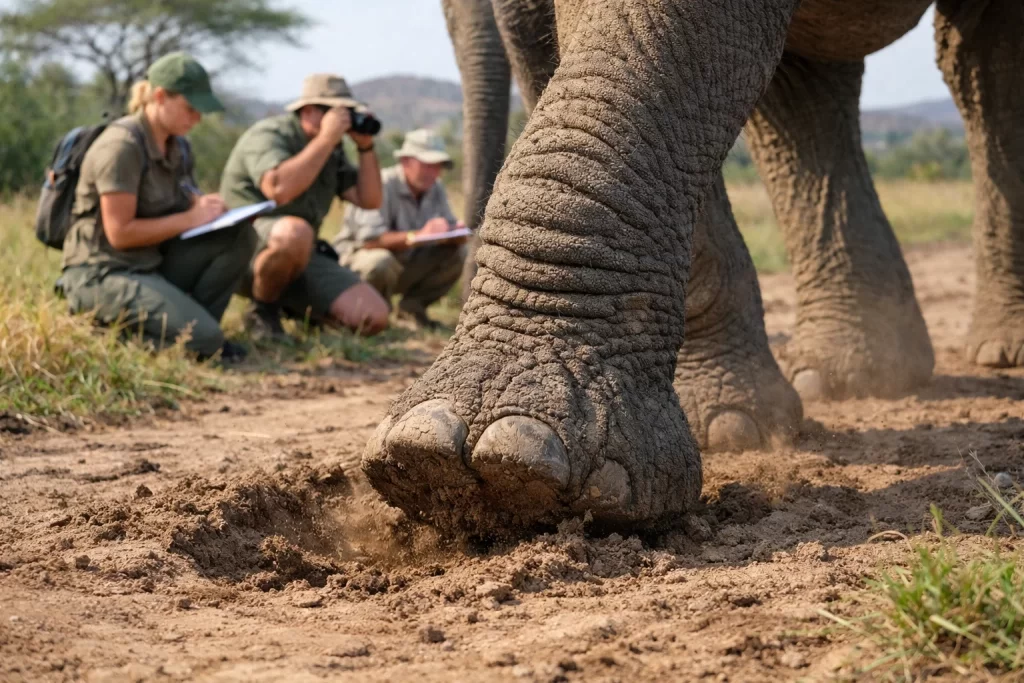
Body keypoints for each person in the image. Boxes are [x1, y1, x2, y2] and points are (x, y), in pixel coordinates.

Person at [62, 52, 251, 363]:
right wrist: (190, 218)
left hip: (149, 264)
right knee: (204, 338)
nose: (197, 118)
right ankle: (125, 336)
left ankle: (195, 332)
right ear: (160, 97)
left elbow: (182, 199)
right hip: (102, 272)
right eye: (190, 108)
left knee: (239, 237)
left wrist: (205, 207)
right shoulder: (121, 147)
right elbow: (120, 234)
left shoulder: (178, 145)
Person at [219, 73, 390, 340]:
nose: (345, 120)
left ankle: (298, 310)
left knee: (373, 317)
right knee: (294, 232)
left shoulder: (332, 150)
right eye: (338, 112)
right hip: (242, 248)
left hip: (302, 252)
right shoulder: (270, 134)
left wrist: (365, 148)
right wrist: (325, 140)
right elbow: (278, 190)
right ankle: (261, 312)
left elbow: (369, 200)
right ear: (309, 110)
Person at [332, 128, 467, 330]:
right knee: (380, 261)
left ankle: (411, 311)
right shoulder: (383, 183)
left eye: (437, 166)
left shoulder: (435, 187)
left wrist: (454, 234)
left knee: (459, 252)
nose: (433, 172)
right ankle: (371, 315)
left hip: (403, 264)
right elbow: (369, 241)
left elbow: (445, 229)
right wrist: (419, 236)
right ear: (405, 161)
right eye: (427, 165)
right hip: (355, 264)